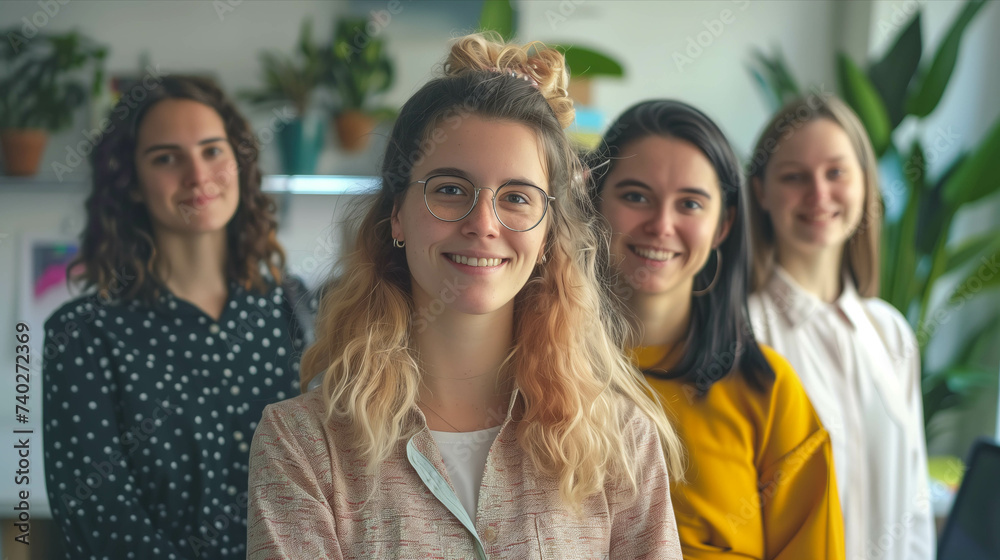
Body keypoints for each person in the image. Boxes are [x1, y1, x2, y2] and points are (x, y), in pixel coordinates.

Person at [246, 33, 684, 559]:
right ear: (397, 215)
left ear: (548, 235)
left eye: (517, 198)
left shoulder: (619, 441)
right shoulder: (302, 445)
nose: (483, 224)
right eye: (450, 189)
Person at [42, 75, 312, 558]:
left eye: (212, 151)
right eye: (166, 158)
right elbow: (101, 522)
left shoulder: (295, 310)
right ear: (132, 184)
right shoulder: (82, 334)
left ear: (238, 163)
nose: (197, 174)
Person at [590, 99, 845, 559]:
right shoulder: (533, 371)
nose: (661, 225)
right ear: (594, 202)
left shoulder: (770, 393)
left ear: (724, 224)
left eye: (689, 203)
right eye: (635, 196)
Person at [746, 94, 935, 560]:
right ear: (760, 192)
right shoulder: (742, 330)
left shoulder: (891, 333)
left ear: (866, 185)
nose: (819, 194)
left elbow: (915, 506)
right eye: (794, 176)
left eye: (836, 172)